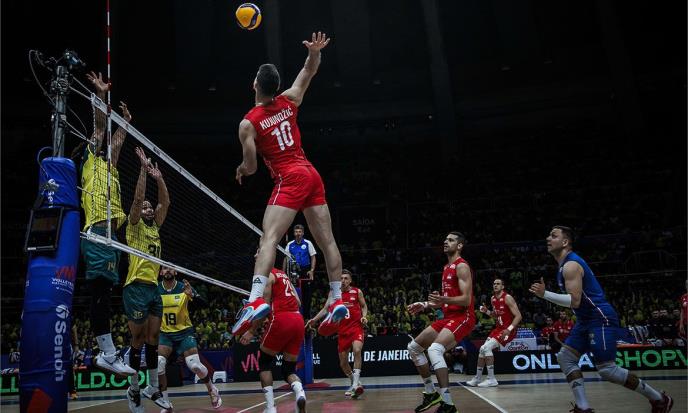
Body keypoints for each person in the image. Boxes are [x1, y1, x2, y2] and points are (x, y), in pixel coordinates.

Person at [232, 32, 347, 338]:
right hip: (311, 173)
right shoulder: (289, 100)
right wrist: (314, 52)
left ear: (255, 85)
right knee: (328, 242)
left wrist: (241, 168)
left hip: (289, 177)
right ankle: (337, 298)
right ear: (276, 87)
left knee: (268, 238)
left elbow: (252, 167)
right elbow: (309, 70)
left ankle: (255, 299)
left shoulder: (249, 123)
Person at [529, 226, 673, 413]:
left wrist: (545, 294)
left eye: (553, 236)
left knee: (607, 369)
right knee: (565, 357)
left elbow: (574, 301)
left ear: (565, 242)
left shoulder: (571, 265)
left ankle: (659, 399)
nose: (548, 238)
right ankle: (583, 408)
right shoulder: (564, 265)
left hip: (600, 318)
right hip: (585, 320)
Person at [80, 71, 135, 376]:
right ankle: (106, 353)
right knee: (100, 294)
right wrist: (100, 95)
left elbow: (116, 141)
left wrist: (126, 123)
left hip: (112, 238)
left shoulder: (111, 169)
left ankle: (108, 351)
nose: (104, 148)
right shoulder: (90, 162)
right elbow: (100, 128)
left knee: (105, 295)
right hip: (98, 232)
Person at [123, 147, 171, 411]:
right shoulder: (134, 226)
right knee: (138, 340)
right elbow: (138, 198)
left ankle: (152, 387)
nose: (149, 209)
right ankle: (133, 388)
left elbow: (166, 203)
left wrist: (159, 178)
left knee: (153, 338)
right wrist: (143, 170)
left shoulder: (155, 227)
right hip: (135, 287)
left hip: (153, 289)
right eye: (145, 207)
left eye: (150, 207)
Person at [406, 232, 475, 413]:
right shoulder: (446, 267)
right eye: (445, 239)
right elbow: (444, 301)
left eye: (451, 240)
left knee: (434, 350)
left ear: (459, 246)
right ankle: (431, 392)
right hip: (447, 318)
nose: (445, 241)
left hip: (463, 317)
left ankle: (448, 403)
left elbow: (466, 300)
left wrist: (443, 299)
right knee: (413, 348)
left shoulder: (462, 266)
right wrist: (425, 304)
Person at [240, 268, 307, 413]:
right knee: (288, 370)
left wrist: (251, 331)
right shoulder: (283, 275)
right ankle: (300, 393)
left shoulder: (267, 276)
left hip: (281, 319)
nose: (256, 258)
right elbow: (298, 302)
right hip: (298, 320)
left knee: (264, 362)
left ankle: (270, 407)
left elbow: (263, 308)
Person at [156, 267, 222, 412]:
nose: (167, 270)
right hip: (165, 334)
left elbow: (204, 304)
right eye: (165, 268)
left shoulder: (183, 287)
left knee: (195, 366)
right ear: (160, 272)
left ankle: (212, 389)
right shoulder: (156, 289)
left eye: (171, 268)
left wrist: (192, 295)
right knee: (159, 364)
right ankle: (166, 403)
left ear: (175, 272)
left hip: (185, 333)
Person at [307, 269, 368, 398]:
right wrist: (314, 320)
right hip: (342, 331)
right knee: (343, 363)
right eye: (341, 278)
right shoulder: (334, 293)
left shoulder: (357, 291)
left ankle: (355, 385)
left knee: (357, 350)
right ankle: (354, 382)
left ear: (350, 280)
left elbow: (363, 306)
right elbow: (325, 309)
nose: (343, 280)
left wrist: (364, 316)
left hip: (356, 328)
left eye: (346, 278)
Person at [466, 278, 522, 387]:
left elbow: (519, 316)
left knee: (486, 348)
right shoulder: (492, 299)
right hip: (498, 328)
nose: (495, 285)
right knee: (482, 350)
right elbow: (496, 316)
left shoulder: (508, 298)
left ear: (503, 286)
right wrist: (486, 311)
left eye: (498, 284)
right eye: (494, 284)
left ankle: (491, 379)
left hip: (508, 330)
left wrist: (509, 329)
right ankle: (477, 378)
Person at [283, 224, 317, 318]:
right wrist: (283, 272)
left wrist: (312, 270)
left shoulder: (308, 243)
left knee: (307, 294)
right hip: (293, 271)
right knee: (293, 293)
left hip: (306, 270)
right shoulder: (290, 244)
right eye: (296, 232)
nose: (298, 233)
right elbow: (286, 259)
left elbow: (313, 257)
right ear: (294, 233)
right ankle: (294, 314)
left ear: (303, 233)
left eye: (300, 232)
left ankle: (306, 317)